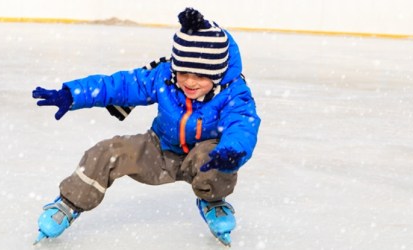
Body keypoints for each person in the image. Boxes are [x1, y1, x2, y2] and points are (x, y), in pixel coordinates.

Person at [32, 7, 260, 246]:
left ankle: (212, 200)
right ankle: (69, 203)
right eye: (183, 72)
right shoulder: (164, 76)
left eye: (200, 76)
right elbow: (120, 85)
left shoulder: (234, 93)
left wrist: (232, 151)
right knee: (107, 151)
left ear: (217, 73)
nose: (190, 82)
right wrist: (73, 95)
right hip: (160, 148)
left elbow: (242, 125)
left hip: (203, 156)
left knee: (216, 157)